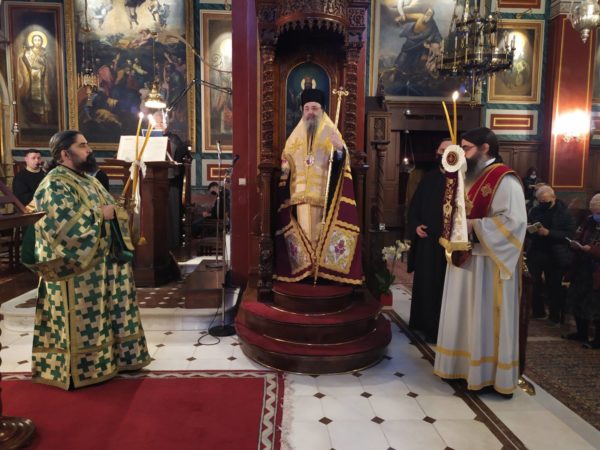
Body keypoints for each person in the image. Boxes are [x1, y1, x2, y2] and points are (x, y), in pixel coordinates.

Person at [24, 130, 150, 389]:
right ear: (65, 153)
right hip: (75, 269)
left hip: (100, 265)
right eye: (82, 146)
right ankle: (82, 368)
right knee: (83, 321)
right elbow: (60, 226)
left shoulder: (89, 181)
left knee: (105, 315)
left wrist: (119, 211)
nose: (89, 150)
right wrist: (100, 215)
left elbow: (110, 210)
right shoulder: (54, 183)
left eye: (87, 145)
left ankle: (110, 361)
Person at [434, 127, 527, 396]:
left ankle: (486, 375)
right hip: (464, 260)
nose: (462, 153)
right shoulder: (468, 176)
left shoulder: (505, 180)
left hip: (489, 265)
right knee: (463, 317)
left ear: (485, 148)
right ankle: (460, 367)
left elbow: (514, 223)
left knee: (482, 319)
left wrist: (474, 225)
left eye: (466, 148)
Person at [274, 89, 362, 284]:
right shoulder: (294, 137)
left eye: (314, 108)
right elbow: (286, 165)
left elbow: (343, 163)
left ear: (322, 110)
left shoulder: (331, 132)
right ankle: (305, 274)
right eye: (307, 108)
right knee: (303, 237)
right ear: (302, 111)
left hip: (324, 198)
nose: (310, 112)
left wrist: (339, 149)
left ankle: (322, 274)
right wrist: (285, 167)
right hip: (299, 200)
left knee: (322, 237)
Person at [406, 138, 451, 342]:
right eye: (441, 150)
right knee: (426, 284)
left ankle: (441, 330)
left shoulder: (461, 180)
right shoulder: (429, 178)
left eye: (448, 151)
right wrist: (416, 226)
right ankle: (422, 324)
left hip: (450, 246)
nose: (444, 155)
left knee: (444, 287)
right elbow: (414, 207)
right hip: (427, 242)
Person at [526, 185, 575, 323]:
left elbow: (569, 234)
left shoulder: (564, 213)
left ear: (553, 198)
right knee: (534, 283)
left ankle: (554, 316)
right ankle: (538, 312)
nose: (542, 203)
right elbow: (529, 227)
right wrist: (530, 230)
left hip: (555, 254)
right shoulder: (535, 210)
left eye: (545, 201)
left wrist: (549, 233)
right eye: (540, 201)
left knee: (553, 286)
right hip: (536, 251)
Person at [563, 194, 600, 349]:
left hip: (596, 271)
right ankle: (581, 333)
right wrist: (575, 243)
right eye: (593, 211)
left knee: (595, 306)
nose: (594, 214)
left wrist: (590, 249)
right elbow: (579, 235)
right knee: (578, 301)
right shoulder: (588, 221)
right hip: (581, 267)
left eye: (597, 211)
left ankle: (598, 339)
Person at [21, 33, 50, 123]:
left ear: (42, 42)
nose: (37, 42)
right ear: (32, 41)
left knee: (43, 96)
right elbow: (26, 61)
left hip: (41, 78)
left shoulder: (44, 53)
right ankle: (32, 117)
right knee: (31, 96)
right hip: (32, 77)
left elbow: (47, 65)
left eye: (39, 40)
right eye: (35, 40)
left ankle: (42, 118)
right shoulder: (28, 53)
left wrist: (43, 66)